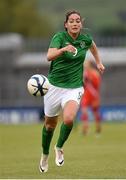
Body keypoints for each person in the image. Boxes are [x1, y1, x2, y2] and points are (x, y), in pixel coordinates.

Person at [39, 10, 105, 173]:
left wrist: (99, 62)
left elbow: (93, 47)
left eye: (77, 21)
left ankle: (59, 147)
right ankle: (45, 155)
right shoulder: (59, 37)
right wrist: (63, 50)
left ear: (81, 24)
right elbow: (49, 56)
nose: (75, 23)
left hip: (74, 87)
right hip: (54, 87)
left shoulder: (85, 40)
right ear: (66, 24)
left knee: (68, 119)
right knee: (49, 126)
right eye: (72, 21)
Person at [80, 59, 102, 135]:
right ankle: (85, 128)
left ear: (90, 64)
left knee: (95, 112)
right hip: (86, 95)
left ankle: (98, 128)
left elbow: (97, 84)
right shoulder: (84, 73)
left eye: (86, 63)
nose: (84, 65)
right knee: (84, 111)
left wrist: (90, 80)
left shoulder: (95, 73)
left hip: (94, 95)